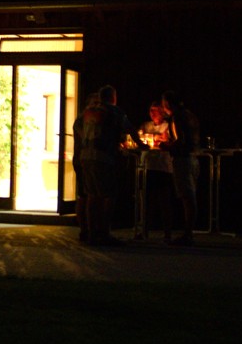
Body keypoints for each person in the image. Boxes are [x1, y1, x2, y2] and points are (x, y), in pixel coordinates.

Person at [79, 84, 144, 245]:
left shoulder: (88, 111)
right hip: (103, 157)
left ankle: (92, 232)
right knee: (109, 194)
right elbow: (130, 129)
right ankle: (104, 232)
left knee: (92, 195)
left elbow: (80, 129)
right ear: (113, 97)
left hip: (86, 156)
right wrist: (141, 145)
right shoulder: (114, 111)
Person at [161, 90, 200, 246]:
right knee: (190, 196)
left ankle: (188, 234)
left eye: (163, 103)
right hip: (194, 158)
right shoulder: (190, 115)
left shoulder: (177, 117)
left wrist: (166, 145)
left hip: (183, 159)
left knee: (187, 197)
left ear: (167, 103)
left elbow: (180, 140)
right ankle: (188, 232)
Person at [139, 102, 173, 242]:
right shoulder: (146, 125)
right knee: (146, 200)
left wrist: (151, 138)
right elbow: (140, 137)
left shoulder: (167, 126)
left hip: (163, 167)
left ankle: (167, 233)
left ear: (162, 112)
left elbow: (167, 139)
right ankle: (144, 231)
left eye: (156, 111)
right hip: (147, 166)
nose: (152, 114)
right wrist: (155, 138)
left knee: (164, 200)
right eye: (151, 111)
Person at [72, 93, 100, 242]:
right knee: (85, 195)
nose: (97, 106)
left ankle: (88, 229)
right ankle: (85, 229)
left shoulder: (85, 119)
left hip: (84, 159)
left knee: (86, 194)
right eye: (94, 103)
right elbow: (87, 137)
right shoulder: (83, 120)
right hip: (82, 159)